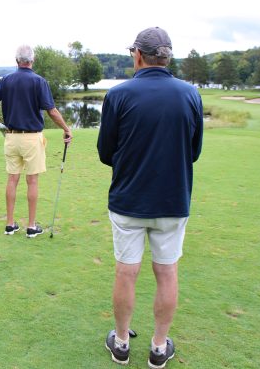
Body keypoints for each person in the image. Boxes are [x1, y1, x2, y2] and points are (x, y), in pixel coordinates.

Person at [97, 27, 203, 368]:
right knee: (167, 273)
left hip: (129, 200)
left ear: (138, 55)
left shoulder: (118, 95)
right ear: (166, 57)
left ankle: (122, 343)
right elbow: (194, 151)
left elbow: (105, 152)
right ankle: (158, 348)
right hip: (173, 202)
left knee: (126, 273)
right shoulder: (190, 94)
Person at [0, 45, 73, 238]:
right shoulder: (39, 81)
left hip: (11, 137)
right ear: (32, 60)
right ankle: (31, 227)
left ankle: (10, 225)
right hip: (32, 138)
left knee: (12, 179)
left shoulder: (6, 80)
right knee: (32, 181)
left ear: (17, 61)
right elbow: (52, 111)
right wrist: (66, 128)